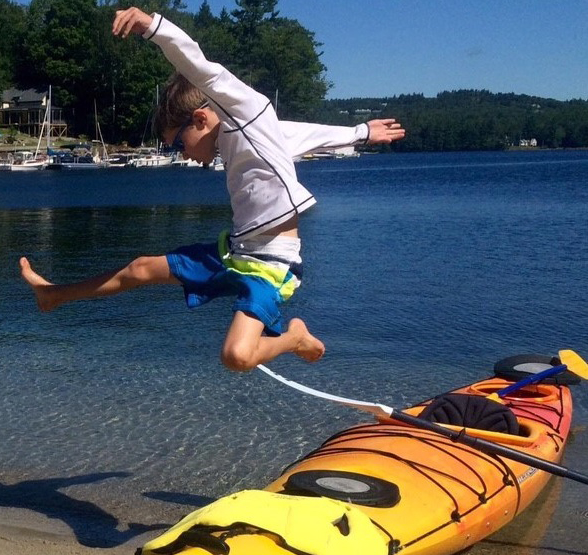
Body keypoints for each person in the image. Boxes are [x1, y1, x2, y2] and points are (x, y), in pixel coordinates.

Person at [20, 7, 405, 372]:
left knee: (236, 357)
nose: (181, 153)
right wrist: (360, 132)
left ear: (201, 118)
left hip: (273, 266)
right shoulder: (253, 136)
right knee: (139, 268)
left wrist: (152, 26)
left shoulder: (247, 113)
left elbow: (202, 68)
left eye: (176, 143)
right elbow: (305, 134)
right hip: (235, 251)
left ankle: (294, 338)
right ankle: (54, 295)